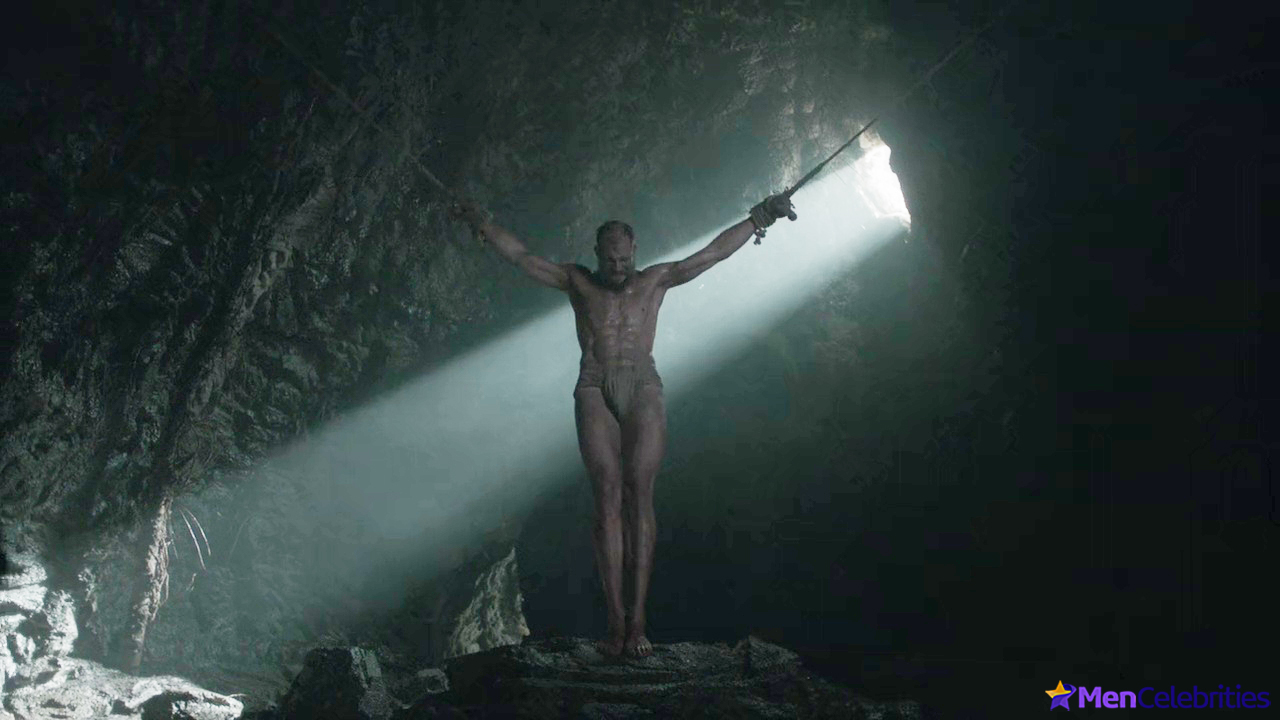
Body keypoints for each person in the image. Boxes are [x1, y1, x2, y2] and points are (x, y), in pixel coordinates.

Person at [451, 192, 796, 658]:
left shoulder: (655, 280)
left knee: (640, 493)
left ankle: (639, 622)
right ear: (597, 254)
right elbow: (521, 257)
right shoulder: (577, 281)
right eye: (609, 260)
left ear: (635, 251)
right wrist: (482, 223)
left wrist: (760, 216)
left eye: (623, 259)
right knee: (607, 497)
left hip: (642, 382)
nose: (616, 267)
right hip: (594, 383)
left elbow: (711, 253)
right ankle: (616, 624)